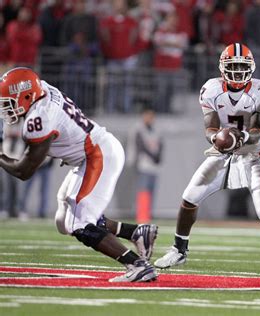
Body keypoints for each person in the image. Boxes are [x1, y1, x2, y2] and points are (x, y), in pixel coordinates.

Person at [154, 43, 260, 276]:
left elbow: (258, 130)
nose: (238, 72)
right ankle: (179, 250)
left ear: (251, 68)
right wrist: (218, 139)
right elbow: (210, 127)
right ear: (223, 68)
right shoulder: (211, 89)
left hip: (254, 153)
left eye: (243, 67)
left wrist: (240, 136)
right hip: (223, 152)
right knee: (190, 196)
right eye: (234, 67)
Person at [0, 67, 158, 282]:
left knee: (79, 225)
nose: (7, 109)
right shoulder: (42, 90)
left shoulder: (39, 118)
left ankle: (137, 265)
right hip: (90, 154)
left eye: (10, 102)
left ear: (28, 96)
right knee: (64, 221)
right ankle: (134, 232)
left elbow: (24, 170)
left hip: (98, 155)